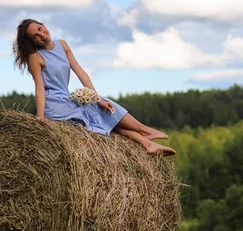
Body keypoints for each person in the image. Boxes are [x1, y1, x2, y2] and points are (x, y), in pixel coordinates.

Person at [13, 19, 176, 156]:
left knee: (103, 113)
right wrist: (41, 120)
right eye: (36, 36)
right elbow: (40, 89)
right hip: (55, 106)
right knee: (98, 114)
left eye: (40, 29)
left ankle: (146, 142)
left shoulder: (62, 45)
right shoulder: (35, 58)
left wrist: (96, 98)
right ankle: (145, 131)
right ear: (32, 42)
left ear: (44, 25)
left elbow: (81, 73)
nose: (42, 35)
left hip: (67, 100)